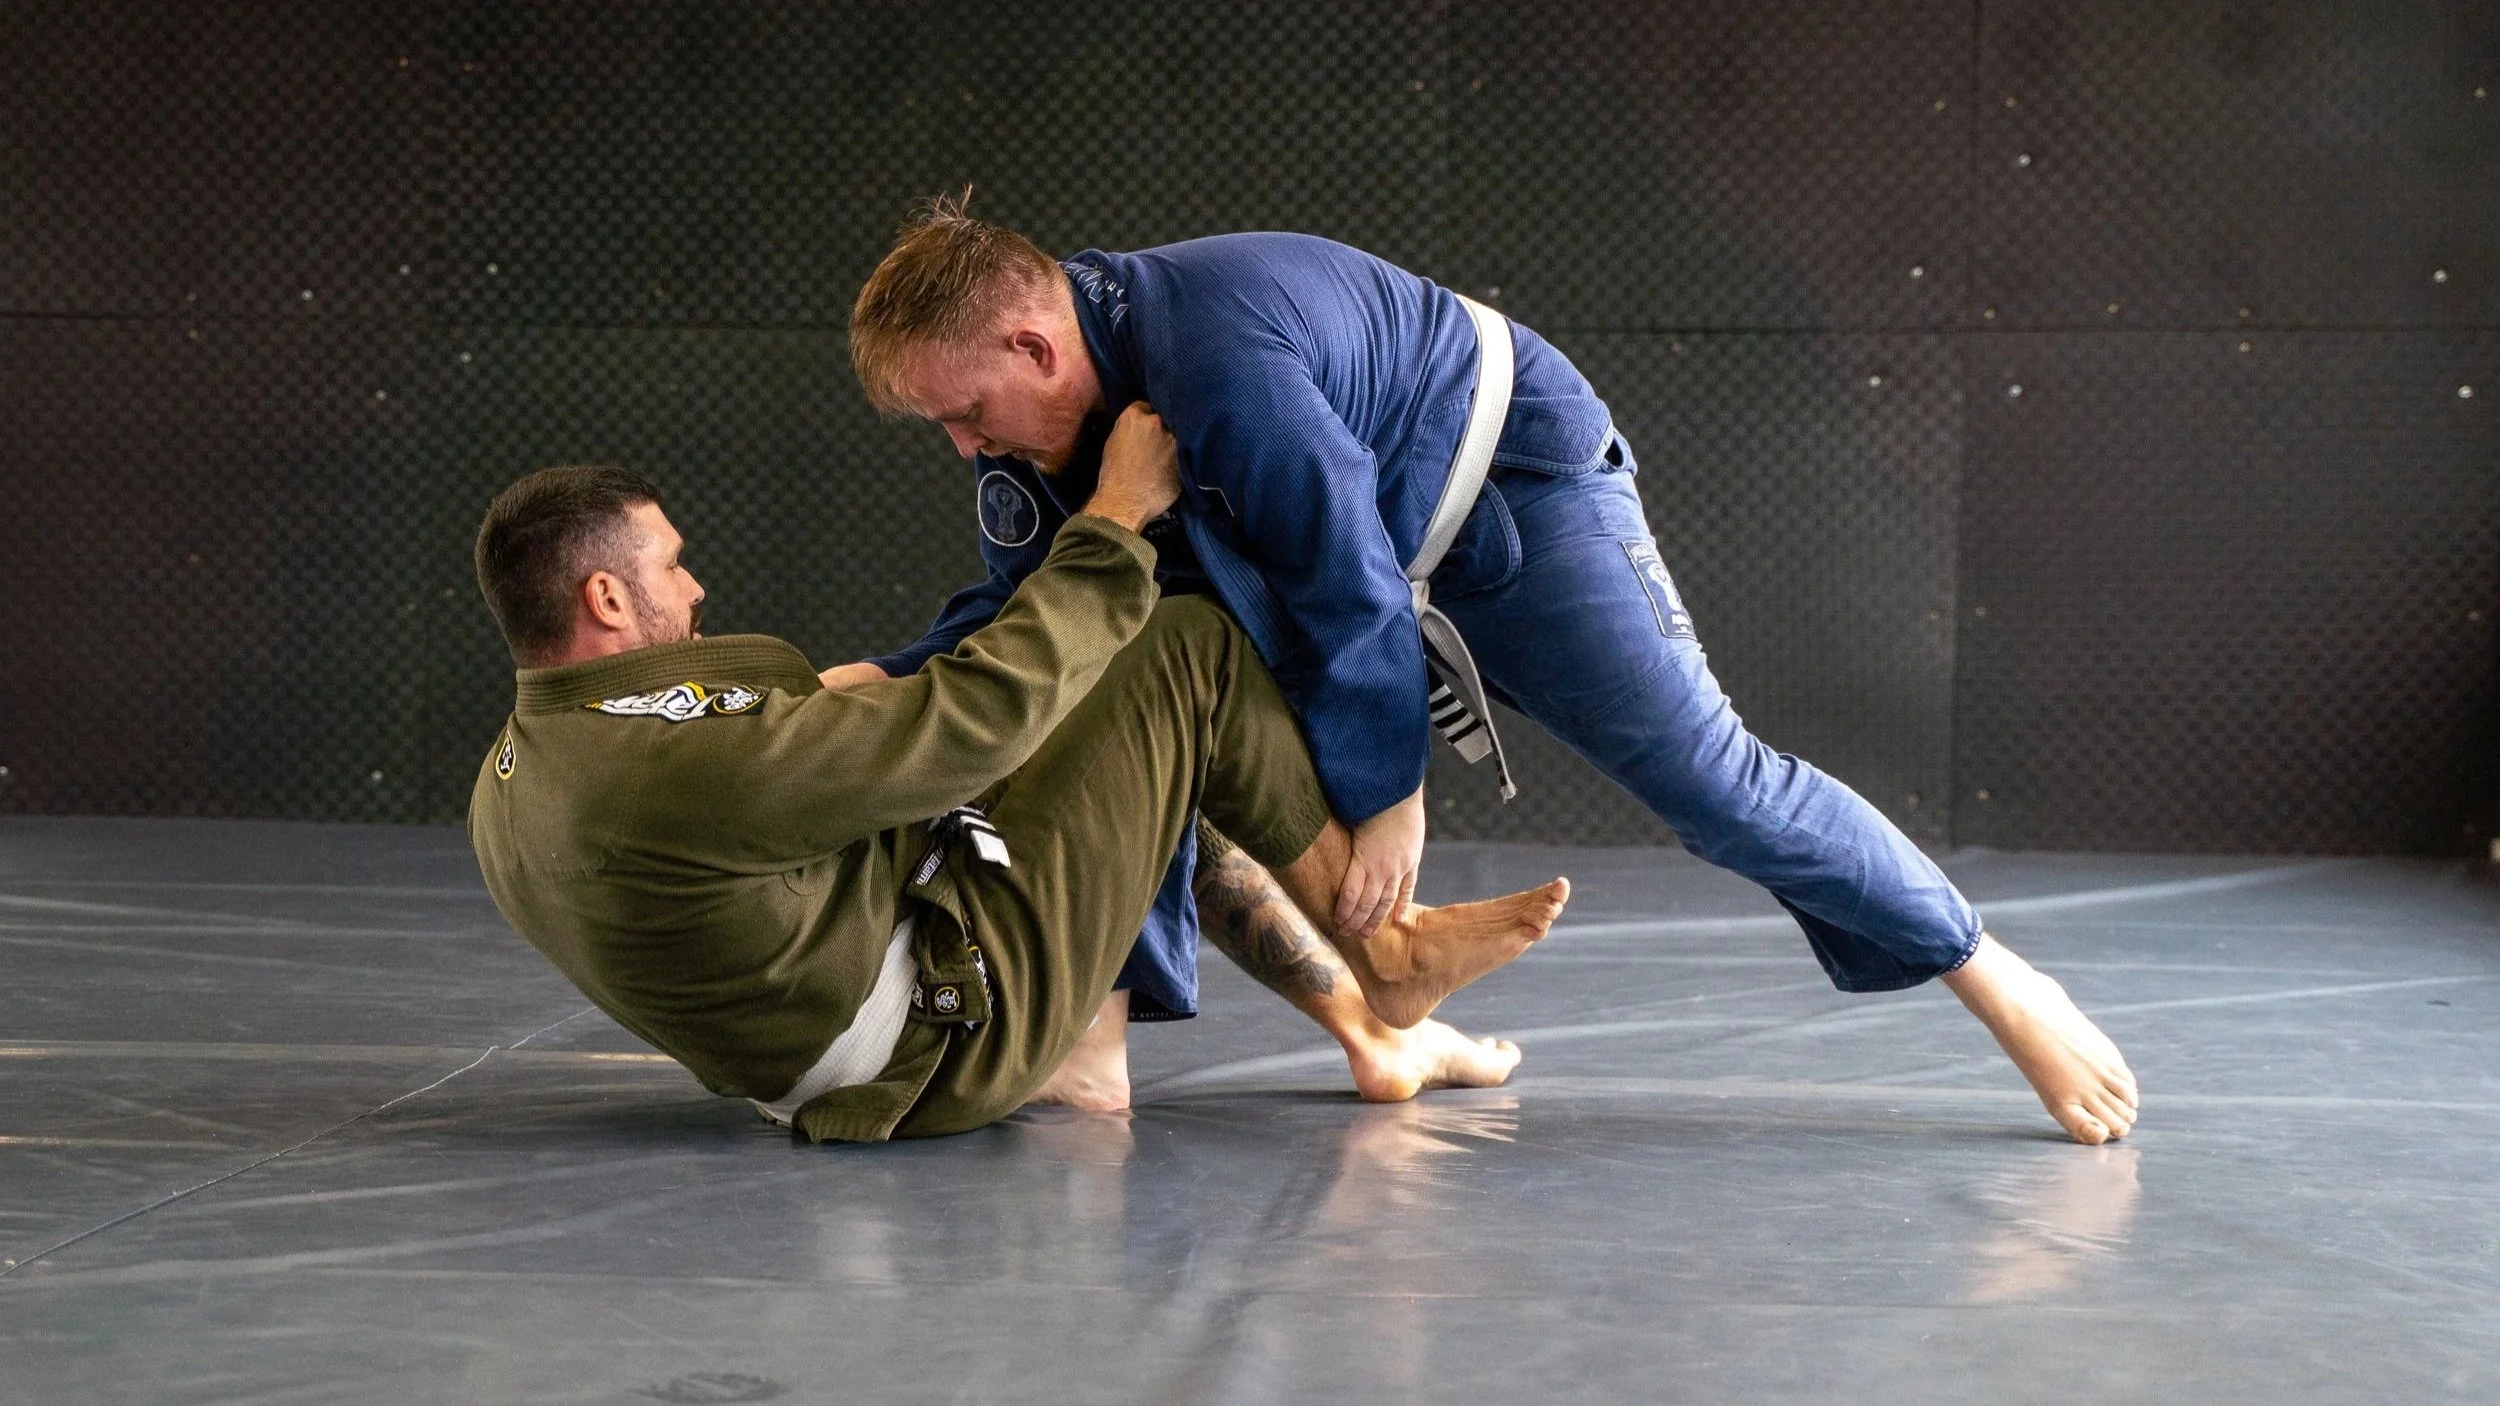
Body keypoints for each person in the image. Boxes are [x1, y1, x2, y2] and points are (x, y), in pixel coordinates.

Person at [831, 197, 2139, 1145]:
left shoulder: (1216, 357)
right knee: (1146, 685)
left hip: (1504, 482)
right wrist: (882, 680)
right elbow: (1026, 609)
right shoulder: (1031, 435)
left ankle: (1987, 967)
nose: (961, 447)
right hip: (1357, 532)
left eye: (966, 413)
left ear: (1036, 348)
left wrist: (1393, 788)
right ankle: (1309, 1023)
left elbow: (1344, 572)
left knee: (1709, 779)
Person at [464, 420, 1569, 1143]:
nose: (696, 585)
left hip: (837, 993)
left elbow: (735, 800)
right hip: (941, 1038)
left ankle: (1373, 1029)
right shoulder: (673, 769)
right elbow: (973, 721)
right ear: (608, 599)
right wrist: (1113, 518)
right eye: (670, 565)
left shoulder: (524, 771)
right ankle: (1386, 953)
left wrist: (826, 709)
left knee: (1110, 721)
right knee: (1179, 649)